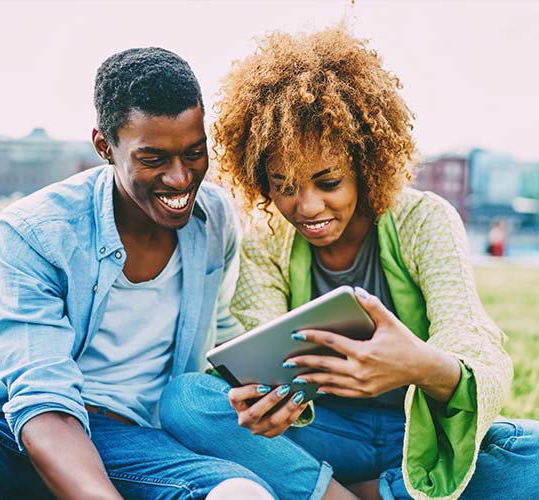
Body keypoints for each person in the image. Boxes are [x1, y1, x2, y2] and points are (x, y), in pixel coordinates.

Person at [159, 27, 539, 499]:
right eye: (285, 185)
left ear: (364, 164)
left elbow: (473, 343)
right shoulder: (268, 242)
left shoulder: (424, 220)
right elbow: (262, 352)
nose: (307, 207)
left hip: (415, 429)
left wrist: (419, 365)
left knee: (532, 454)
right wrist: (270, 403)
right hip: (325, 434)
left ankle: (362, 491)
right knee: (186, 401)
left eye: (328, 182)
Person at [0, 47, 275, 499]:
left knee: (240, 492)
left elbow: (222, 332)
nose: (180, 179)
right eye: (153, 159)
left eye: (194, 153)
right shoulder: (34, 231)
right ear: (105, 147)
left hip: (139, 448)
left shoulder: (214, 220)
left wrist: (265, 387)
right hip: (18, 434)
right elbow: (43, 404)